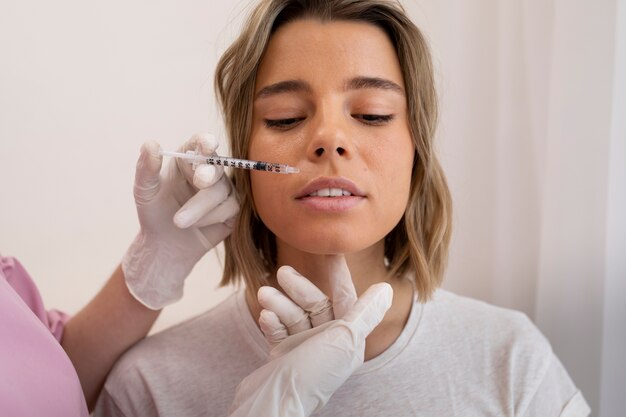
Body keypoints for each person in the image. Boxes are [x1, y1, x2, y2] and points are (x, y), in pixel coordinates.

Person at [94, 0, 591, 416]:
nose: (329, 138)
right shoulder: (150, 387)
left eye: (372, 114)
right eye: (285, 118)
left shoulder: (509, 358)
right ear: (242, 156)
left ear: (416, 149)